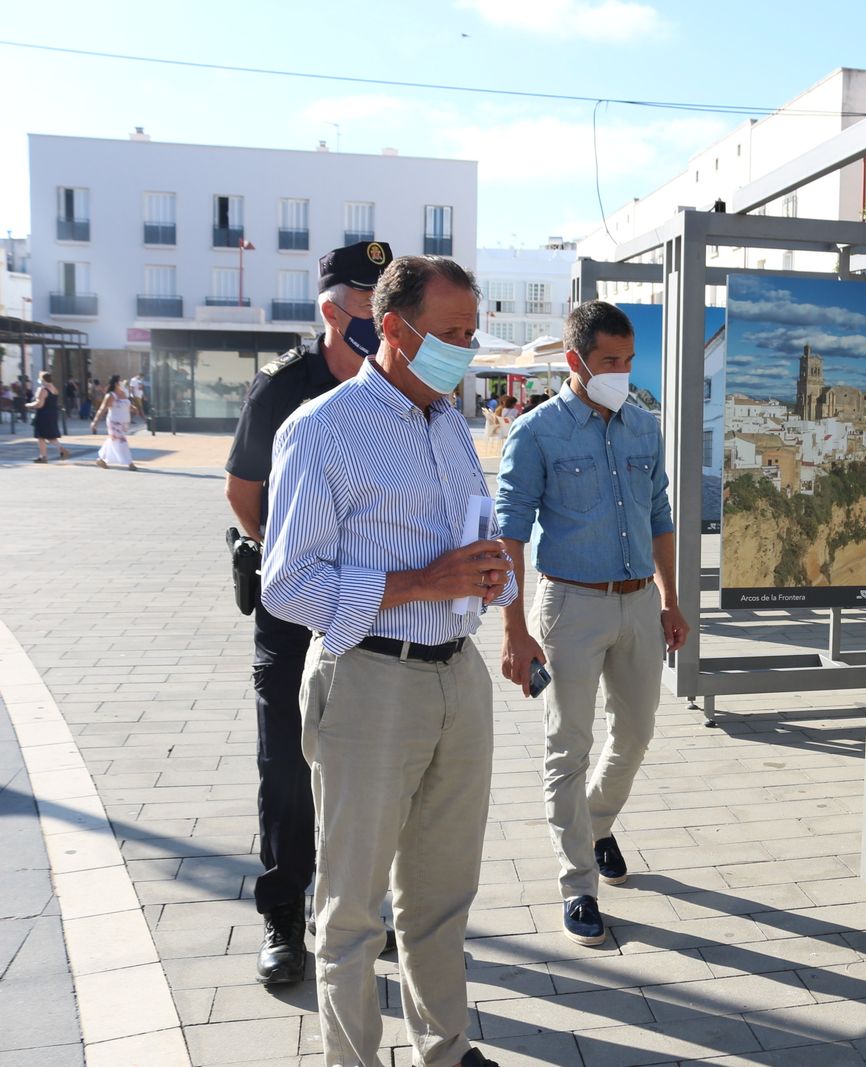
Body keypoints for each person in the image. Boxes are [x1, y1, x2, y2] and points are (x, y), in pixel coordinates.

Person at [262, 254, 510, 1067]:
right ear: (395, 329)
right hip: (368, 679)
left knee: (441, 895)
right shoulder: (322, 429)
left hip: (457, 675)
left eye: (472, 332)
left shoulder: (448, 424)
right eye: (452, 333)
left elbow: (470, 536)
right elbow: (287, 584)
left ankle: (446, 1047)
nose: (466, 349)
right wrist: (424, 581)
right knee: (352, 908)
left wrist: (492, 575)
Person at [224, 240, 393, 986]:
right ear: (331, 309)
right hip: (295, 614)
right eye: (365, 301)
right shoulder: (282, 388)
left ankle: (356, 908)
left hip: (374, 610)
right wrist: (296, 559)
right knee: (288, 767)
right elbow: (243, 491)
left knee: (371, 764)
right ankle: (284, 919)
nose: (378, 314)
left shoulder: (397, 387)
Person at [496, 300, 690, 948]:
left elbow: (659, 514)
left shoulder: (643, 427)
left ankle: (596, 823)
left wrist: (670, 597)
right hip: (570, 606)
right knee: (568, 746)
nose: (622, 372)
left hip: (639, 604)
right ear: (575, 360)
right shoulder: (537, 432)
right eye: (610, 360)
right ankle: (578, 883)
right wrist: (514, 629)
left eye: (628, 360)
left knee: (635, 733)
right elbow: (509, 533)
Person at [90, 374, 136, 470]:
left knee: (114, 440)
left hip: (124, 422)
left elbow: (127, 405)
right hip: (114, 422)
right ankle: (130, 463)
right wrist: (95, 422)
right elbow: (102, 409)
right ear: (116, 383)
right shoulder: (110, 395)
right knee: (122, 440)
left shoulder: (123, 393)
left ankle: (101, 459)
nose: (122, 383)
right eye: (120, 381)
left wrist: (133, 408)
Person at [27, 372, 69, 463]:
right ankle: (61, 449)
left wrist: (29, 405)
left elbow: (40, 404)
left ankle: (43, 456)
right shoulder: (54, 389)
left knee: (41, 436)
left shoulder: (43, 389)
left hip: (43, 415)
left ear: (42, 379)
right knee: (50, 435)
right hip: (53, 414)